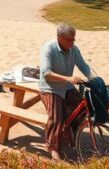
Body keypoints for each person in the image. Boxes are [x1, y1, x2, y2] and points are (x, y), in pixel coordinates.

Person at [39, 23, 96, 160]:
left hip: (67, 86)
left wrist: (96, 79)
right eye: (69, 39)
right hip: (50, 88)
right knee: (56, 117)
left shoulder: (73, 49)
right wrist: (69, 78)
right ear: (59, 37)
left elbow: (83, 66)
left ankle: (71, 135)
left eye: (74, 39)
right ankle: (53, 148)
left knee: (84, 108)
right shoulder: (48, 48)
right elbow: (46, 73)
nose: (72, 42)